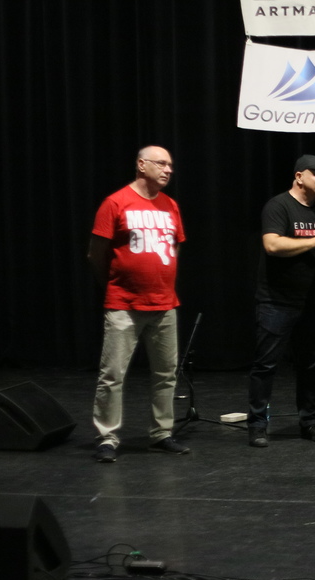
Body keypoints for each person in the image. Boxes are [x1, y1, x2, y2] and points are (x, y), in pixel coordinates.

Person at [88, 146, 189, 463]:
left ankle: (161, 434)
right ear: (142, 165)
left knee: (166, 374)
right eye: (161, 163)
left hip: (164, 304)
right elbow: (96, 254)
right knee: (112, 375)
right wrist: (116, 285)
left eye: (170, 165)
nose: (168, 169)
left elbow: (175, 246)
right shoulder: (115, 202)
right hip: (124, 305)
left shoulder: (170, 205)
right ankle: (107, 438)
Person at [247, 154, 315, 448]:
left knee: (310, 364)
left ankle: (310, 422)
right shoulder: (279, 206)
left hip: (310, 300)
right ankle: (257, 425)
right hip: (276, 301)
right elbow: (272, 244)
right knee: (266, 365)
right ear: (299, 176)